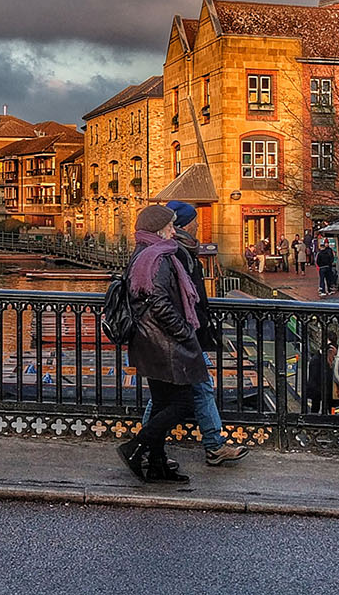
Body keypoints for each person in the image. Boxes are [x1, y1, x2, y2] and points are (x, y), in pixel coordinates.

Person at [136, 202, 249, 467]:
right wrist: (186, 331)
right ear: (181, 225)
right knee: (194, 391)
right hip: (179, 336)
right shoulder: (170, 254)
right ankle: (210, 445)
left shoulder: (176, 251)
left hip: (180, 334)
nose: (199, 224)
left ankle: (149, 448)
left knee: (170, 396)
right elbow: (163, 300)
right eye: (194, 220)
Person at [117, 205, 205, 483]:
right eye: (169, 226)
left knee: (161, 403)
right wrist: (183, 331)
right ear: (158, 229)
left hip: (148, 342)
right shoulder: (158, 257)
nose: (173, 230)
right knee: (183, 403)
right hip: (163, 343)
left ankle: (156, 464)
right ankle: (135, 447)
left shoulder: (144, 254)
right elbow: (158, 301)